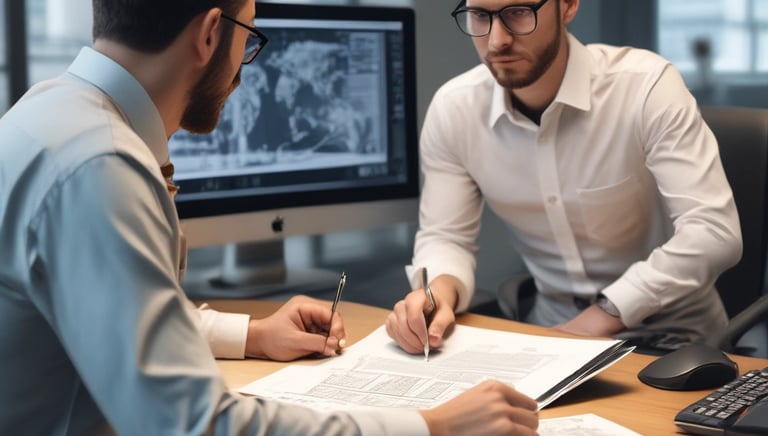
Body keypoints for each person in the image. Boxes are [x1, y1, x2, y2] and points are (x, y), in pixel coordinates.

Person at [0, 0, 541, 434]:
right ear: (211, 32)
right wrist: (433, 427)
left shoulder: (49, 111)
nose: (243, 66)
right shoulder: (101, 169)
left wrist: (253, 335)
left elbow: (113, 313)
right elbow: (195, 424)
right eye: (250, 36)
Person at [385, 0, 742, 356]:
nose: (497, 41)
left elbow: (713, 232)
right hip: (551, 337)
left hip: (678, 339)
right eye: (480, 16)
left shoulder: (645, 87)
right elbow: (446, 237)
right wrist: (435, 296)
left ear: (568, 6)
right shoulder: (455, 110)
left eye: (518, 12)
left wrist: (598, 318)